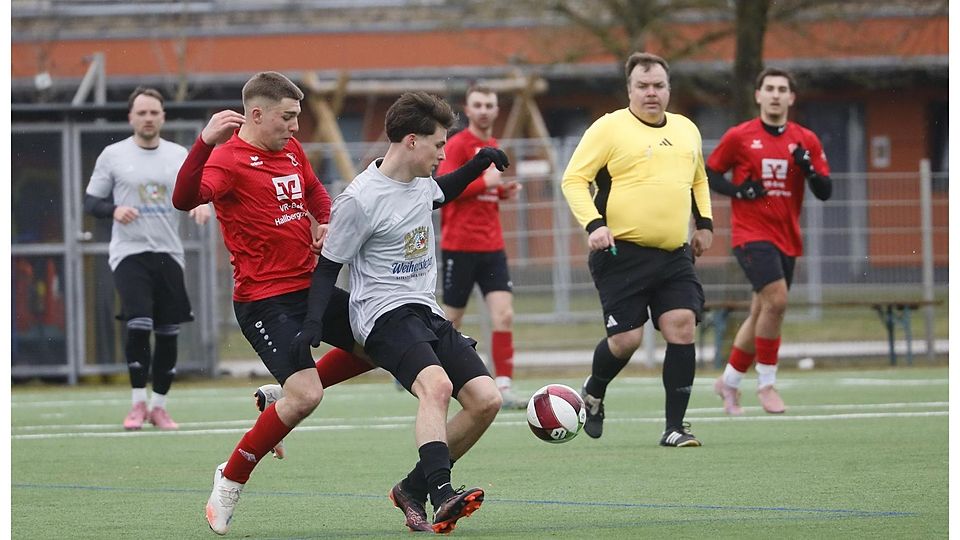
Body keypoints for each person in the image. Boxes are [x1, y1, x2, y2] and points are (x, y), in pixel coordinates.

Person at [291, 91, 508, 533]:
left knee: (487, 400)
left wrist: (480, 160)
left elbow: (442, 191)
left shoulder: (418, 183)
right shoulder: (360, 199)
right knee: (437, 386)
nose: (445, 152)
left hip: (423, 310)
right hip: (381, 314)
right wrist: (314, 321)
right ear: (412, 141)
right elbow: (328, 265)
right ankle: (443, 493)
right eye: (439, 145)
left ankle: (412, 487)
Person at [172, 71, 374, 535]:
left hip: (310, 288)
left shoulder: (291, 150)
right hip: (264, 300)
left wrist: (323, 221)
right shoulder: (226, 160)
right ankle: (230, 478)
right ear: (256, 114)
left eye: (298, 116)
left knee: (379, 341)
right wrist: (202, 143)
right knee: (307, 396)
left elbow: (315, 193)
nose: (295, 127)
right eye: (288, 117)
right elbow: (184, 199)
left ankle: (278, 395)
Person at [561, 52, 713, 447]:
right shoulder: (609, 128)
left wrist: (705, 224)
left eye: (658, 86)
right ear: (629, 89)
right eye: (643, 86)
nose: (651, 93)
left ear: (668, 89)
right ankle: (594, 392)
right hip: (619, 253)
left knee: (681, 325)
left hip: (674, 253)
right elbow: (574, 180)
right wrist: (594, 224)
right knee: (627, 341)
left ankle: (674, 427)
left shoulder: (686, 130)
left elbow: (699, 180)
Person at [707, 67, 832, 415]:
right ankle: (767, 384)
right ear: (758, 95)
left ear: (791, 98)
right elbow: (711, 172)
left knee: (762, 309)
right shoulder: (740, 136)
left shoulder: (805, 139)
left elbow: (825, 191)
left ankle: (728, 383)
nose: (776, 95)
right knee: (777, 301)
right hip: (750, 234)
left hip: (787, 237)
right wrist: (738, 190)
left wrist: (807, 168)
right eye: (769, 88)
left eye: (782, 89)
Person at [84, 87, 211, 431]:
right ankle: (137, 402)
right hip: (129, 253)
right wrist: (114, 209)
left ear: (163, 117)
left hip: (168, 252)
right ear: (131, 118)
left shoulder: (178, 154)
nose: (148, 118)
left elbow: (197, 190)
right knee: (138, 322)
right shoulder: (113, 155)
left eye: (154, 112)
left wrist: (201, 204)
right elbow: (91, 203)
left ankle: (160, 406)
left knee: (168, 330)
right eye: (142, 113)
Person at [436, 85, 524, 409]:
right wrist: (485, 183)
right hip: (459, 246)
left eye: (490, 104)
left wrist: (502, 193)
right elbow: (446, 190)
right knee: (450, 320)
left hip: (492, 246)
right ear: (468, 110)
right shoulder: (457, 145)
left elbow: (486, 191)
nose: (485, 110)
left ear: (497, 110)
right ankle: (427, 369)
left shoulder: (493, 145)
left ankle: (504, 385)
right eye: (479, 105)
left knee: (504, 315)